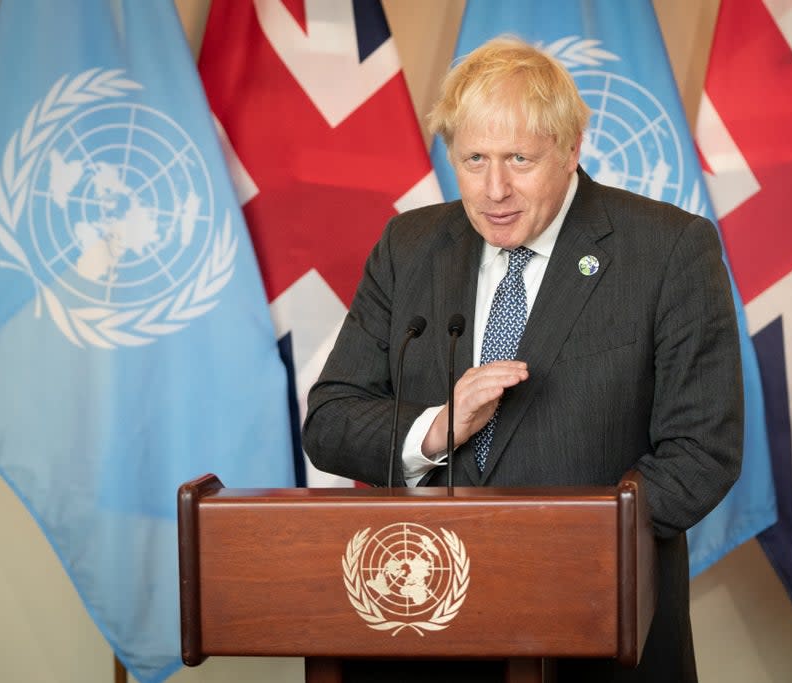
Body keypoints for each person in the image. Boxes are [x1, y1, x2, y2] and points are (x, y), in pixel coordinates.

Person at [302, 36, 743, 683]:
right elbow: (331, 420)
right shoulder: (410, 246)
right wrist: (434, 429)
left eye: (519, 158)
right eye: (474, 158)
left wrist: (568, 546)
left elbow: (703, 449)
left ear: (570, 148)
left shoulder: (669, 249)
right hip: (427, 637)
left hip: (596, 633)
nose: (494, 188)